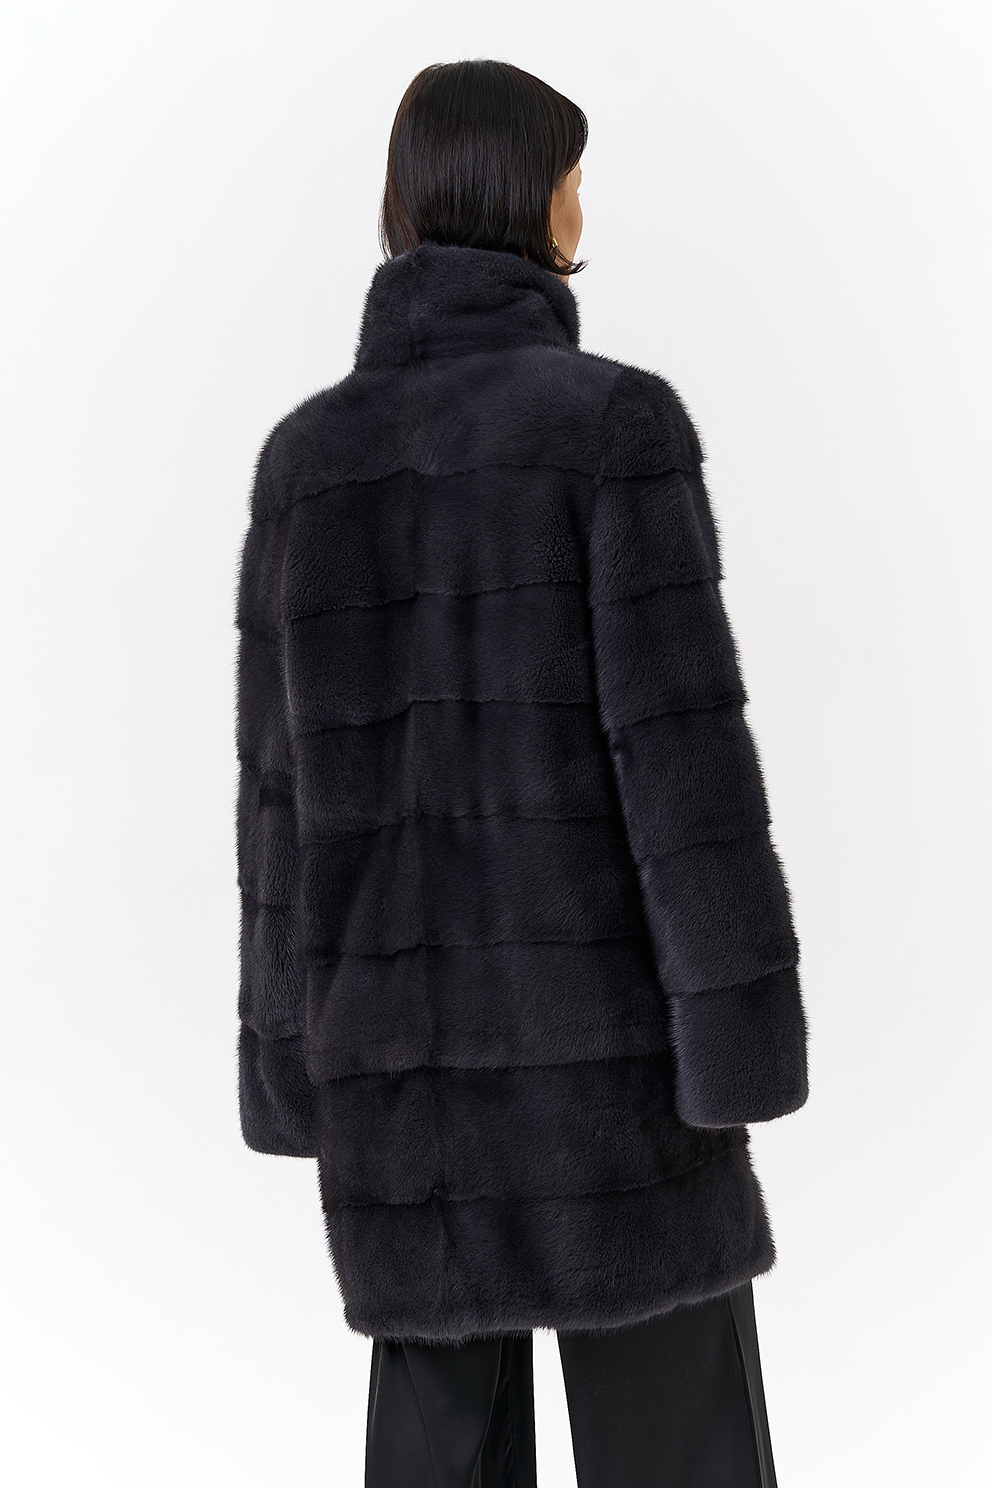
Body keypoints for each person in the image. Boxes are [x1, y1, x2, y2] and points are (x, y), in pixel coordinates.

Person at [235, 58, 809, 1488]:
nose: (579, 202)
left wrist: (291, 1062)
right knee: (679, 1450)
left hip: (403, 1081)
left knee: (438, 1458)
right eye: (570, 172)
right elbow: (686, 777)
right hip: (609, 1071)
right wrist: (739, 1037)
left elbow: (279, 806)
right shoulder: (613, 430)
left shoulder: (308, 464)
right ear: (527, 194)